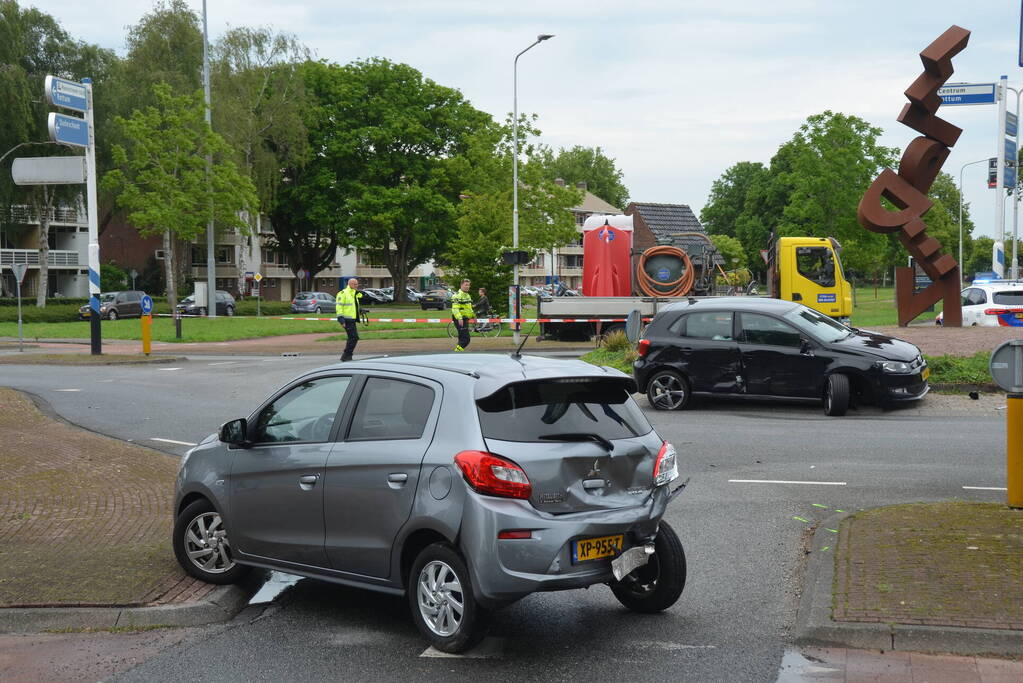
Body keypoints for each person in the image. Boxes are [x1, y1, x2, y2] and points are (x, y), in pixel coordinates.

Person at [335, 278, 363, 361]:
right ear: (350, 284)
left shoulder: (353, 293)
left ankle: (347, 355)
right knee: (354, 337)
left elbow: (353, 306)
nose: (357, 286)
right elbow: (339, 307)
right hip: (347, 320)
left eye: (357, 284)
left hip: (352, 320)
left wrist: (360, 311)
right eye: (355, 284)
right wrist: (341, 319)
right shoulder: (343, 293)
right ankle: (346, 355)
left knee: (352, 337)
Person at [451, 279, 474, 351]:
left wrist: (473, 316)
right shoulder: (457, 296)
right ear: (461, 285)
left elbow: (469, 308)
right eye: (466, 285)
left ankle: (458, 352)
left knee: (462, 338)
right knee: (466, 339)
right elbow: (455, 308)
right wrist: (459, 318)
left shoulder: (467, 295)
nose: (467, 286)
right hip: (459, 319)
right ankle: (457, 351)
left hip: (465, 318)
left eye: (468, 285)